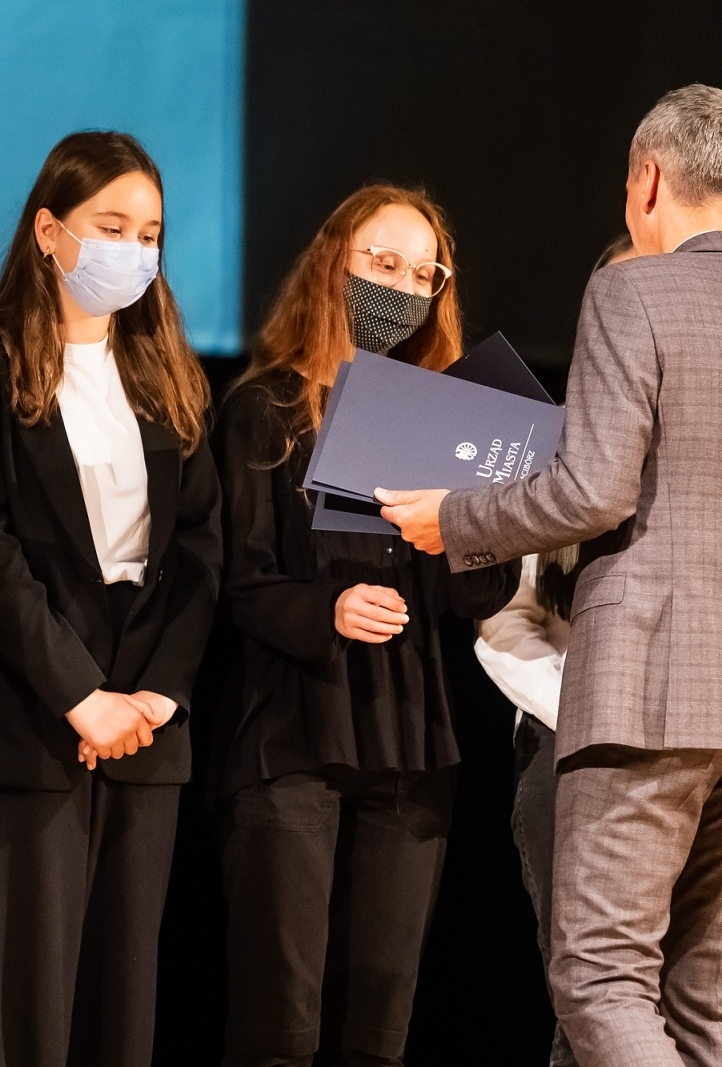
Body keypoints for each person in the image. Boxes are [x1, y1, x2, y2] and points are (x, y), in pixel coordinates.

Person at [379, 84, 722, 1067]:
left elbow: (593, 489)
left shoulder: (630, 288)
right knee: (716, 996)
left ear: (643, 183)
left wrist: (453, 518)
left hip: (652, 689)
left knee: (601, 979)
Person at [0, 131, 221, 1067]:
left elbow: (202, 547)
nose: (134, 249)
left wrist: (156, 694)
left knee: (119, 1012)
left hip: (144, 725)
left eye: (151, 232)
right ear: (50, 232)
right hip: (27, 717)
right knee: (20, 1018)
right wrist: (78, 694)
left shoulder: (167, 365)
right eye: (111, 226)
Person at [211, 183, 519, 1067]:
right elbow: (238, 582)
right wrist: (329, 609)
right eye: (381, 264)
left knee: (380, 1031)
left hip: (410, 740)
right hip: (290, 736)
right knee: (282, 1024)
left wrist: (474, 518)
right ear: (332, 263)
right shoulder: (263, 410)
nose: (401, 287)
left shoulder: (448, 421)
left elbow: (480, 595)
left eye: (422, 273)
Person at [472, 231, 637, 1067]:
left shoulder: (718, 449)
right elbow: (508, 614)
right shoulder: (546, 444)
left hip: (694, 747)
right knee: (591, 1001)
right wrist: (585, 701)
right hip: (565, 744)